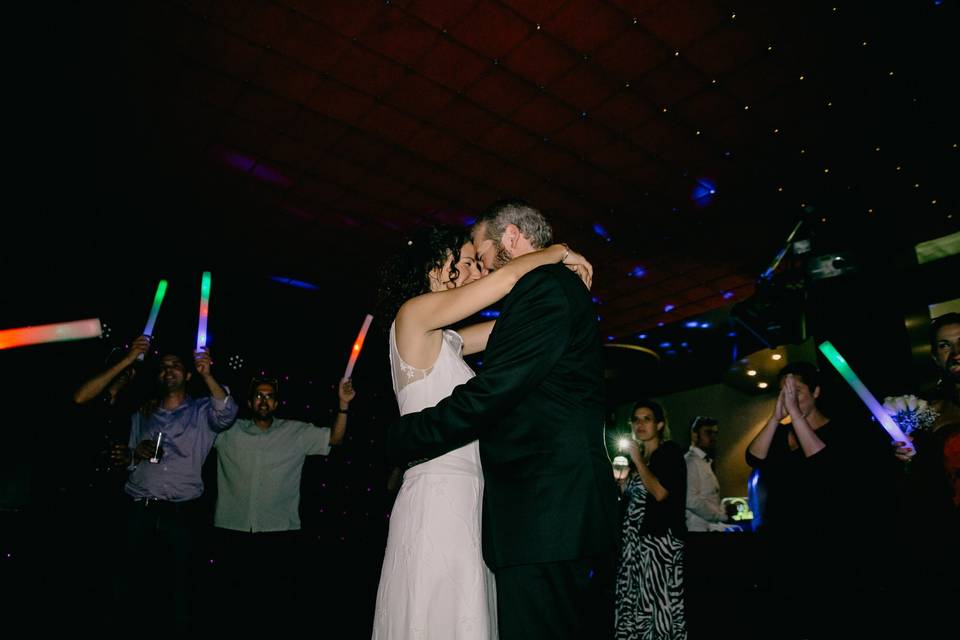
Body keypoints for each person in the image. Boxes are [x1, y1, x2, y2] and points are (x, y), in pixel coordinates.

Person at [382, 200, 619, 640]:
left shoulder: (449, 338)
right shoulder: (413, 314)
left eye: (479, 259)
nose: (478, 272)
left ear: (509, 240)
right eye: (467, 263)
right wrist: (556, 252)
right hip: (442, 486)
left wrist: (548, 272)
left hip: (485, 495)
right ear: (439, 268)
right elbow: (509, 279)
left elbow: (512, 328)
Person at [212, 376, 355, 624]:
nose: (263, 400)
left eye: (269, 396)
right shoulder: (227, 432)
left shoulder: (295, 432)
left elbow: (335, 439)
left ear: (276, 403)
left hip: (278, 531)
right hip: (232, 530)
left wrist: (343, 406)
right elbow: (192, 429)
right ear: (249, 402)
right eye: (258, 395)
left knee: (275, 606)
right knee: (231, 605)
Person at [122, 348, 238, 630]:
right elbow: (128, 460)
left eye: (175, 365)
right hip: (139, 508)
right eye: (163, 366)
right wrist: (135, 453)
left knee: (180, 591)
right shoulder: (142, 413)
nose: (168, 369)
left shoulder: (202, 410)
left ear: (187, 374)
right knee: (133, 586)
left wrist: (208, 375)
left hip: (181, 512)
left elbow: (227, 414)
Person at [615, 399, 687, 640]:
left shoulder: (669, 453)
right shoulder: (640, 463)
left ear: (659, 425)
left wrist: (636, 459)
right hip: (634, 547)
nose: (640, 424)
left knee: (658, 606)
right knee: (634, 605)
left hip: (658, 545)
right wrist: (623, 485)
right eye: (636, 419)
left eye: (647, 419)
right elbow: (633, 505)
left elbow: (660, 492)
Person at [683, 416, 732, 532]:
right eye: (708, 433)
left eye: (716, 433)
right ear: (694, 435)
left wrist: (723, 510)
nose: (713, 437)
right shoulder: (690, 462)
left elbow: (708, 498)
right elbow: (691, 500)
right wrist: (721, 516)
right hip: (698, 530)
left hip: (709, 528)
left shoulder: (704, 462)